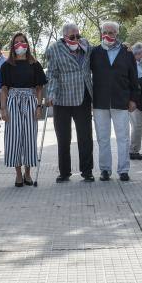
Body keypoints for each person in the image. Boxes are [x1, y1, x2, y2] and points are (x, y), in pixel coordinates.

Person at [44, 22, 95, 182]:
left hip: (84, 97)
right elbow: (52, 74)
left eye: (78, 36)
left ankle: (87, 171)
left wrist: (125, 48)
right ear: (64, 37)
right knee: (63, 138)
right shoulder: (54, 49)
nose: (76, 39)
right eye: (72, 37)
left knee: (85, 137)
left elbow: (101, 53)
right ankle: (64, 172)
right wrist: (50, 94)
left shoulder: (86, 45)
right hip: (62, 98)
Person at [89, 21, 139, 182]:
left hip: (121, 100)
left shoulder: (127, 53)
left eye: (112, 32)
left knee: (123, 137)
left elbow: (134, 78)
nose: (108, 35)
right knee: (102, 138)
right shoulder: (94, 52)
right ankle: (105, 169)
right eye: (105, 32)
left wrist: (133, 99)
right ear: (101, 32)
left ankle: (123, 170)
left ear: (117, 34)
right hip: (99, 101)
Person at [0, 33, 47, 186]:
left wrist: (39, 106)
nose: (20, 44)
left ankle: (28, 173)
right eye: (17, 42)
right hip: (13, 101)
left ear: (27, 44)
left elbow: (39, 88)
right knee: (13, 138)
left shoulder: (35, 64)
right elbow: (4, 89)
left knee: (29, 137)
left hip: (31, 101)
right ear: (13, 45)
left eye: (22, 41)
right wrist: (3, 109)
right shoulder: (7, 65)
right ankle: (18, 174)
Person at [129, 42, 142, 161]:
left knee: (137, 125)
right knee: (137, 125)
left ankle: (134, 149)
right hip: (135, 100)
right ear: (139, 53)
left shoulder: (138, 64)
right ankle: (133, 150)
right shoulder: (133, 65)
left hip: (139, 100)